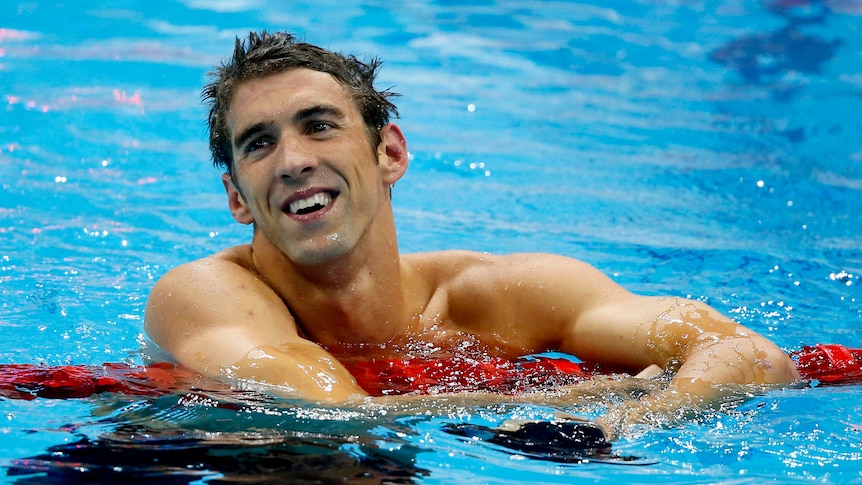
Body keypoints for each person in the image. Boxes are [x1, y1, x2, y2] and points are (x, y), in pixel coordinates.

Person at [144, 31, 800, 433]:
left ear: (389, 154)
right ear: (237, 197)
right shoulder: (202, 294)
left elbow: (753, 355)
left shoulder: (504, 292)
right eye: (259, 144)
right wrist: (585, 391)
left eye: (319, 125)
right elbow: (330, 414)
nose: (292, 162)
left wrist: (625, 417)